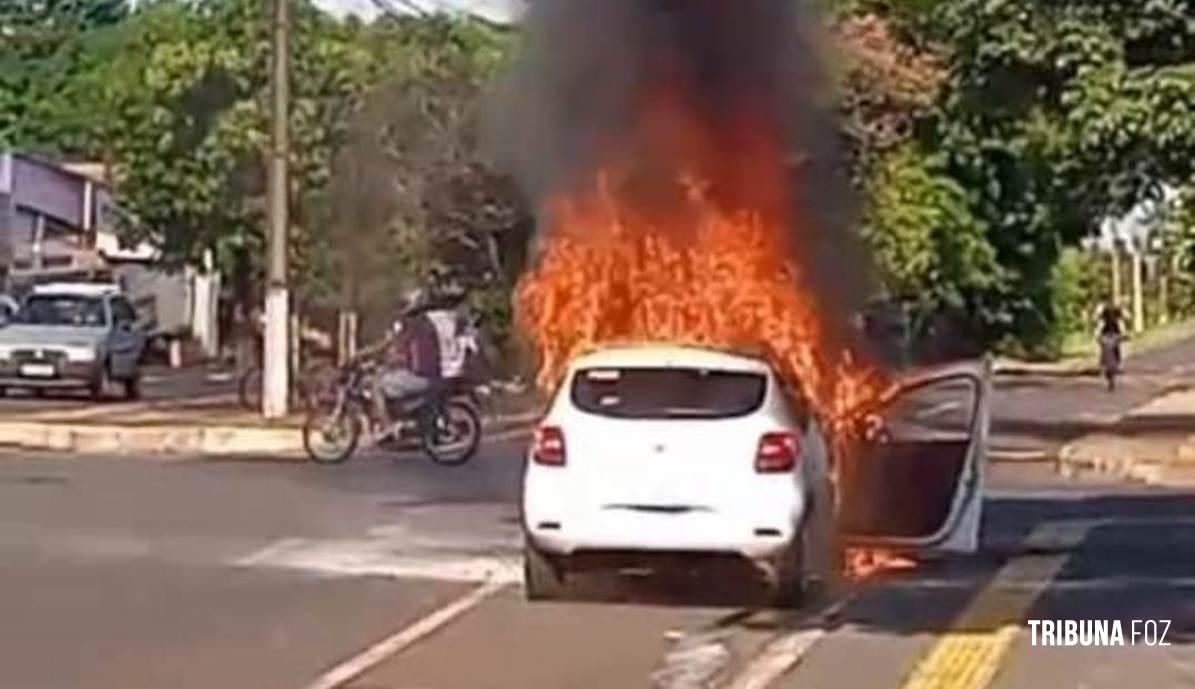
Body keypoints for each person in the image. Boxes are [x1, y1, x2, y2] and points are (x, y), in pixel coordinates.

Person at [363, 289, 442, 436]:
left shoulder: (411, 324)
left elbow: (389, 344)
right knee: (387, 377)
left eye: (404, 304)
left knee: (376, 386)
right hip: (429, 373)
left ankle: (388, 427)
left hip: (420, 376)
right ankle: (401, 418)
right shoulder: (424, 322)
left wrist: (364, 354)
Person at [1094, 297, 1126, 370]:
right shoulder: (1115, 308)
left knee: (1109, 346)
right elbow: (1124, 318)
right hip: (1111, 330)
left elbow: (1096, 319)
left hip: (1110, 330)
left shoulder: (1102, 308)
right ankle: (1116, 363)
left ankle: (1104, 364)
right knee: (1115, 346)